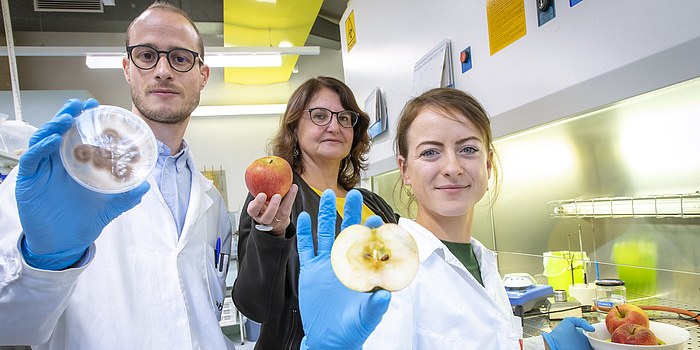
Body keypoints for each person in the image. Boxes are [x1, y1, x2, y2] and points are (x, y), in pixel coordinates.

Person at [0, 2, 235, 349]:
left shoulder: (211, 201)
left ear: (202, 74)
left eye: (181, 58)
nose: (163, 71)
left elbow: (202, 315)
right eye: (146, 55)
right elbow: (10, 327)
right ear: (128, 68)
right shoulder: (59, 174)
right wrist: (43, 263)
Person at [295, 87, 595, 350]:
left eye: (468, 149)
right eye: (430, 152)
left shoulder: (481, 258)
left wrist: (544, 344)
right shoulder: (393, 275)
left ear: (487, 165)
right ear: (405, 170)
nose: (452, 167)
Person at [232, 76, 398, 349]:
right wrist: (271, 234)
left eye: (345, 118)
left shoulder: (374, 204)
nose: (334, 126)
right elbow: (256, 307)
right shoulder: (276, 202)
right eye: (320, 116)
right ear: (294, 127)